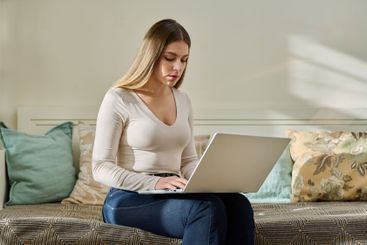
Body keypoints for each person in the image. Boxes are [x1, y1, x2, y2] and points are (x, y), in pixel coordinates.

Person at [92, 18, 255, 245]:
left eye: (184, 60)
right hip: (128, 197)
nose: (177, 67)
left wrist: (214, 177)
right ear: (151, 55)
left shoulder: (183, 100)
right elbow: (100, 167)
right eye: (170, 58)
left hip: (173, 189)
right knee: (205, 210)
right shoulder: (119, 98)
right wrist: (154, 183)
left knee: (238, 205)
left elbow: (187, 161)